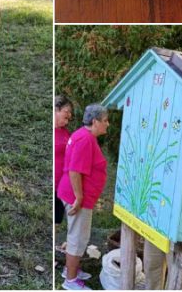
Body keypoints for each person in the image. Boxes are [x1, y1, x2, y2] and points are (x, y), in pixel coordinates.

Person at [57, 104, 110, 291]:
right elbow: (74, 171)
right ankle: (70, 280)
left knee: (77, 235)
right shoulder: (85, 139)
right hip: (76, 196)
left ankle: (70, 269)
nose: (108, 124)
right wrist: (79, 198)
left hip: (76, 194)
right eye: (105, 121)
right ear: (94, 121)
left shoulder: (84, 135)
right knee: (77, 238)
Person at [54, 97, 75, 228]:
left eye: (70, 113)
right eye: (66, 111)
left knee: (57, 220)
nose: (69, 115)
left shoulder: (66, 133)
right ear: (56, 109)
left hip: (62, 185)